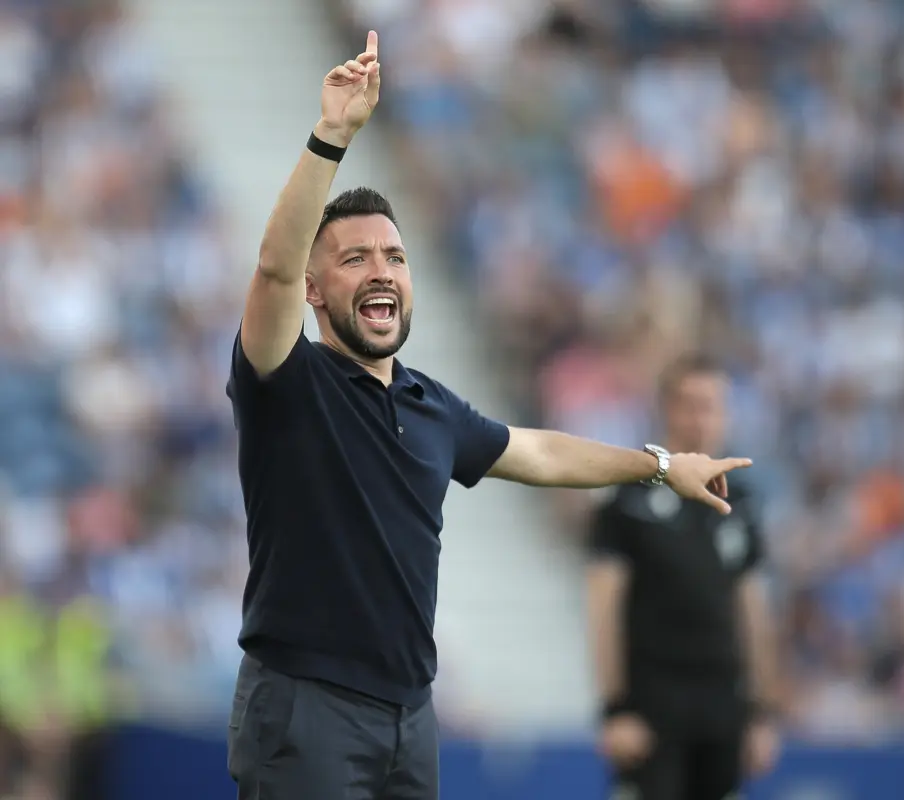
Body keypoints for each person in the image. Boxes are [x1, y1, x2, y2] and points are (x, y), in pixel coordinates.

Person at [223, 31, 753, 800]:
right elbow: (274, 266)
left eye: (395, 258)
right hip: (306, 705)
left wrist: (662, 465)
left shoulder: (431, 406)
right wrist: (332, 134)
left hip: (410, 715)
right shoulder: (288, 380)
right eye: (354, 259)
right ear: (315, 290)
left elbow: (538, 454)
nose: (381, 272)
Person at [586, 355, 783, 800]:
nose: (701, 419)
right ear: (667, 410)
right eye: (690, 405)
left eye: (712, 406)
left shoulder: (742, 504)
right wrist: (614, 708)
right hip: (652, 710)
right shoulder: (627, 501)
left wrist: (762, 711)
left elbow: (753, 610)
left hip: (722, 709)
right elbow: (603, 608)